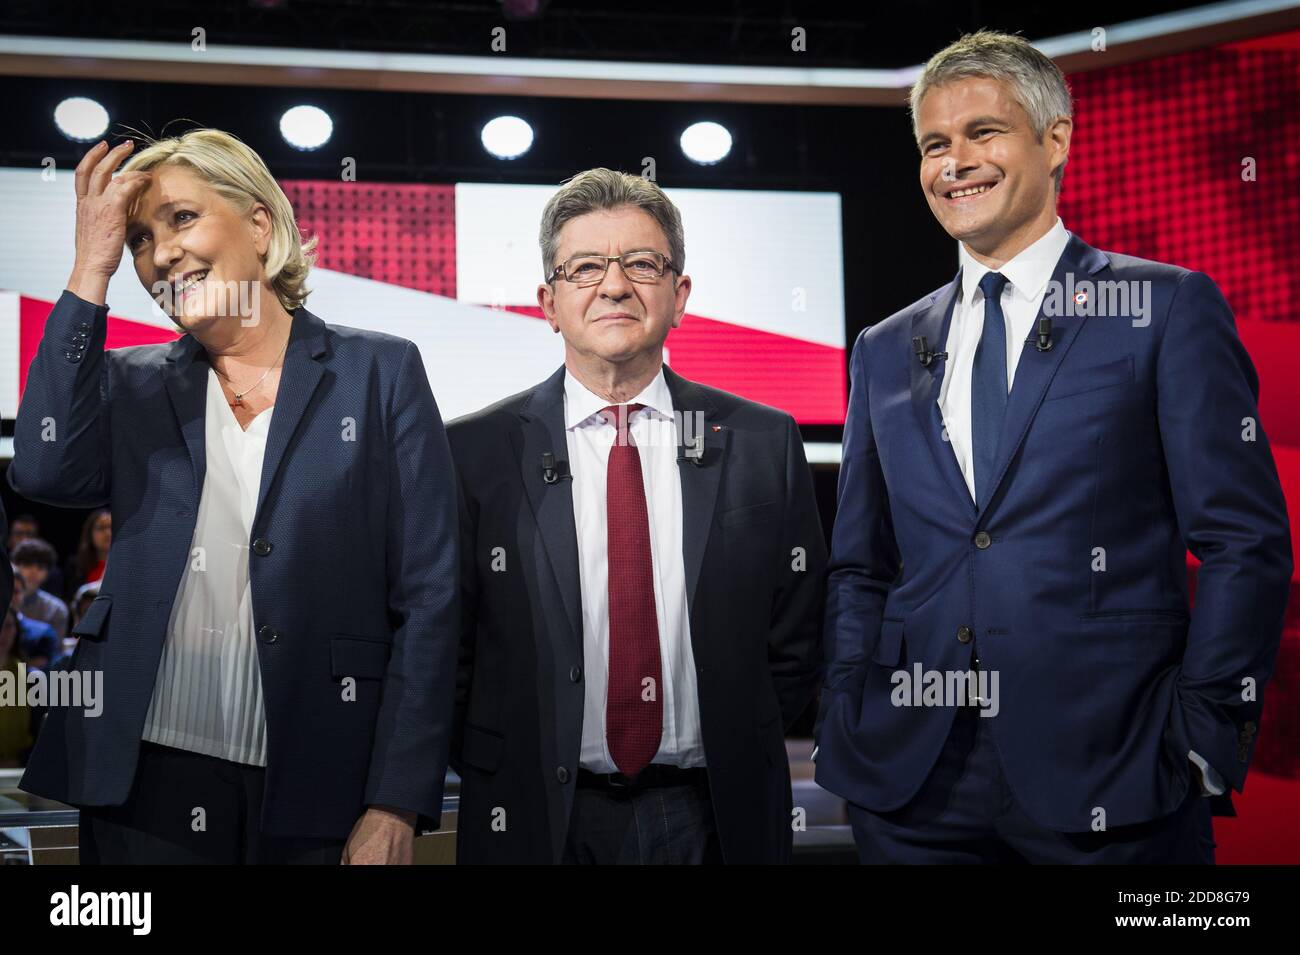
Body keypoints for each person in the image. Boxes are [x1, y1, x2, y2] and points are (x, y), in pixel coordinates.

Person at [814, 30, 1292, 864]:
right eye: (934, 143)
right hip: (911, 784)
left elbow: (1243, 541)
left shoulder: (1166, 308)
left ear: (1056, 138)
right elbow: (861, 563)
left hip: (1118, 774)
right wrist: (847, 708)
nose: (954, 161)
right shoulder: (883, 347)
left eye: (982, 132)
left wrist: (1204, 736)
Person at [7, 128, 460, 864]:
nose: (160, 254)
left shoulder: (380, 371)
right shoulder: (130, 383)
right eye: (140, 240)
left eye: (182, 218)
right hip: (141, 785)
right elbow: (44, 469)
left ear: (259, 222)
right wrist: (91, 267)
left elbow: (431, 598)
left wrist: (396, 798)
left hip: (319, 784)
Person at [448, 168, 826, 864]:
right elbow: (453, 646)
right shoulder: (472, 452)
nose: (615, 285)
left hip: (715, 814)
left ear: (679, 296)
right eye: (586, 266)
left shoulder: (762, 443)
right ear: (548, 302)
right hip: (534, 813)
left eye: (642, 264)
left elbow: (796, 638)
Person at [12, 539, 70, 639]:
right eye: (27, 565)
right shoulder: (4, 600)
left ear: (47, 573)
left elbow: (54, 649)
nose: (33, 571)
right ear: (15, 566)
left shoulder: (56, 609)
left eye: (40, 567)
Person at [62, 509, 109, 602]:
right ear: (90, 533)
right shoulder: (75, 565)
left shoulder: (125, 564)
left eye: (112, 527)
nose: (108, 533)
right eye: (101, 528)